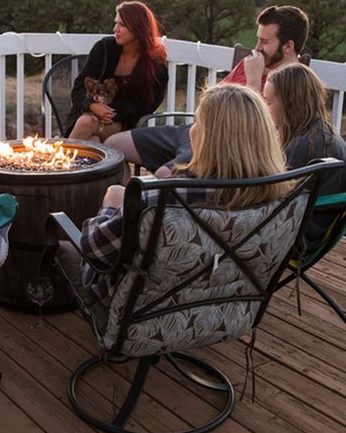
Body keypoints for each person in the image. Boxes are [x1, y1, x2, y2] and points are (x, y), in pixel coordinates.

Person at [80, 83, 293, 300]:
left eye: (197, 122)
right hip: (229, 308)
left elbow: (96, 250)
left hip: (145, 310)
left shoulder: (162, 198)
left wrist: (110, 205)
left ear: (210, 139)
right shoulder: (284, 198)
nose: (190, 130)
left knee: (62, 248)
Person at [106, 5, 310, 178]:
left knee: (163, 175)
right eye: (258, 39)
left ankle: (135, 215)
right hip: (193, 129)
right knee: (112, 146)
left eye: (264, 42)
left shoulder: (293, 85)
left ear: (288, 46)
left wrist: (254, 82)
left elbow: (256, 135)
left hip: (216, 143)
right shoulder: (251, 62)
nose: (256, 48)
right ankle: (116, 209)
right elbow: (209, 102)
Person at [264, 62, 346, 245]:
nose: (264, 109)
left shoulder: (303, 148)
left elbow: (269, 200)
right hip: (316, 234)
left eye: (268, 102)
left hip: (294, 239)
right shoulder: (323, 135)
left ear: (290, 103)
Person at [65, 1, 168, 141]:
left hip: (124, 123)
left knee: (87, 123)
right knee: (93, 140)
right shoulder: (104, 49)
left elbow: (146, 107)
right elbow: (78, 89)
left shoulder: (155, 65)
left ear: (139, 28)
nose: (115, 29)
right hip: (86, 113)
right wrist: (92, 105)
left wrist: (110, 112)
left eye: (122, 25)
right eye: (115, 23)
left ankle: (63, 161)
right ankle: (113, 164)